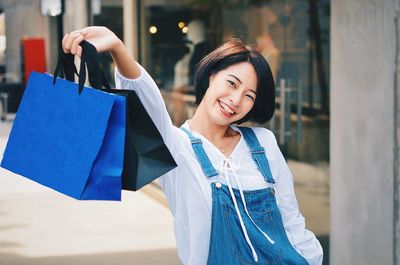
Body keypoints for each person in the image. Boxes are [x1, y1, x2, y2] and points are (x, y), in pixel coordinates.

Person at [62, 26, 323, 265]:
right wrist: (119, 49)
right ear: (211, 76)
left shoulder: (263, 143)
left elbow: (292, 223)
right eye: (231, 83)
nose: (235, 100)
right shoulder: (177, 148)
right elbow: (147, 102)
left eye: (249, 96)